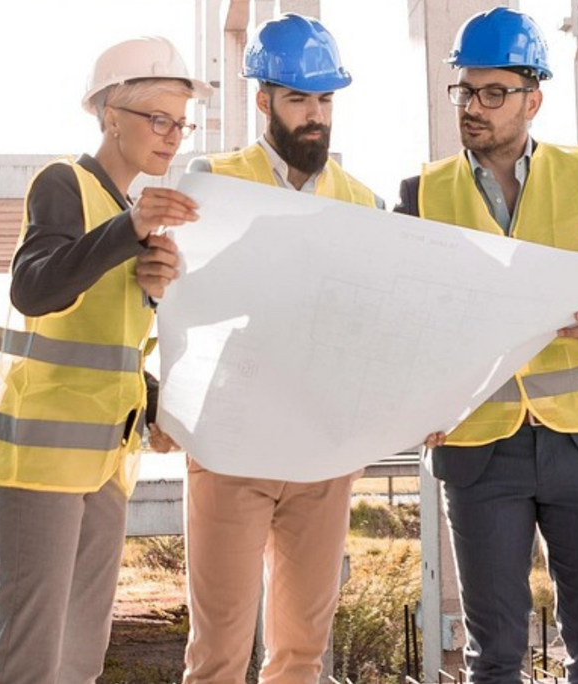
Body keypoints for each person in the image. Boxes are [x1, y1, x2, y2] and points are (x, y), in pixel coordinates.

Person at [393, 8, 578, 684]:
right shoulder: (422, 195)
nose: (473, 107)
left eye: (493, 92)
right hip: (479, 451)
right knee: (493, 658)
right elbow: (395, 319)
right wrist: (409, 406)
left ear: (533, 99)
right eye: (464, 90)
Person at [0, 35, 207, 684]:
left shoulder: (129, 215)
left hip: (104, 462)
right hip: (40, 460)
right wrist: (127, 235)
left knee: (79, 659)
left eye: (180, 123)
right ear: (108, 114)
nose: (172, 135)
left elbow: (110, 350)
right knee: (32, 658)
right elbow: (35, 287)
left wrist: (151, 295)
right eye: (158, 118)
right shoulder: (63, 183)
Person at [167, 14, 380, 684]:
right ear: (264, 101)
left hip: (321, 454)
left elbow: (376, 327)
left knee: (300, 657)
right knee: (217, 656)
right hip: (233, 449)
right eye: (299, 99)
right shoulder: (213, 181)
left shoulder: (364, 204)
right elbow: (175, 301)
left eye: (325, 100)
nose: (315, 116)